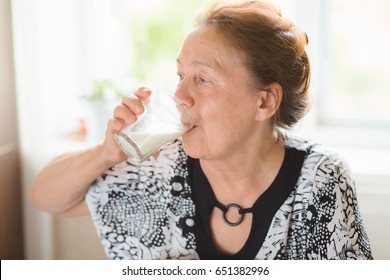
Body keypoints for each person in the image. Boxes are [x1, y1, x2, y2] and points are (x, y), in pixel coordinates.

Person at [29, 0, 373, 260]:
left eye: (202, 79)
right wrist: (107, 153)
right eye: (180, 76)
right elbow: (46, 197)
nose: (179, 96)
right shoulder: (158, 162)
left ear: (265, 102)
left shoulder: (320, 177)